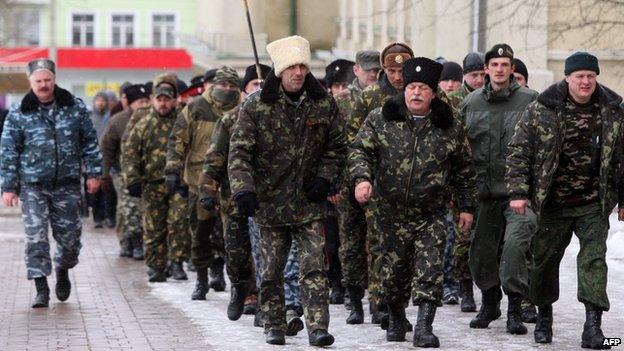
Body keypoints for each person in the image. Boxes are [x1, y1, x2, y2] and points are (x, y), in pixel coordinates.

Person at [349, 56, 476, 347]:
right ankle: (395, 320)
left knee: (429, 270)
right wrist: (362, 179)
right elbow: (359, 151)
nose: (416, 92)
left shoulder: (449, 127)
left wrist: (467, 207)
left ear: (433, 93)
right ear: (403, 90)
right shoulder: (381, 119)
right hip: (390, 211)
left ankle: (423, 327)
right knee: (393, 272)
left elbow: (464, 171)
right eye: (411, 87)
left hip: (431, 213)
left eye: (422, 88)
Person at [228, 35, 345, 346]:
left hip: (309, 201)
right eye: (291, 67)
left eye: (303, 66)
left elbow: (337, 147)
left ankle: (318, 326)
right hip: (270, 202)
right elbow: (239, 153)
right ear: (279, 70)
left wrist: (325, 177)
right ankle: (275, 323)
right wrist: (244, 190)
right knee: (271, 271)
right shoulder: (256, 106)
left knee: (313, 268)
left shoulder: (323, 103)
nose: (298, 72)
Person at [506, 52, 623, 349]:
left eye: (590, 76)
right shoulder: (542, 108)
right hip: (553, 202)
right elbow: (519, 151)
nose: (585, 82)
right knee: (544, 262)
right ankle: (544, 319)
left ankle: (593, 326)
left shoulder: (613, 110)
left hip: (593, 203)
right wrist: (519, 192)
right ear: (567, 77)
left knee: (594, 261)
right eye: (579, 76)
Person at [0, 58, 102, 308]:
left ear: (54, 79)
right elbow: (8, 149)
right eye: (38, 81)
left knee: (69, 239)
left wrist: (94, 173)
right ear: (30, 82)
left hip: (66, 184)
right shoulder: (19, 110)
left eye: (47, 80)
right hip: (33, 185)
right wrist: (9, 187)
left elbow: (89, 141)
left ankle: (63, 270)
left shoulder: (74, 107)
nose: (43, 85)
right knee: (36, 238)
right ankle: (41, 287)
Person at [460, 44, 538, 334]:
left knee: (515, 247)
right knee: (479, 254)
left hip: (519, 194)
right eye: (495, 65)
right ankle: (490, 303)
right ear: (486, 69)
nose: (500, 69)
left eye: (506, 64)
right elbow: (460, 149)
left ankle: (515, 309)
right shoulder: (471, 104)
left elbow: (544, 148)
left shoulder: (531, 101)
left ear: (513, 69)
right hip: (484, 194)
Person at [347, 42, 414, 327]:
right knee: (378, 244)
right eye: (392, 70)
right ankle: (379, 302)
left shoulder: (421, 93)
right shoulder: (370, 96)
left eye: (402, 70)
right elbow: (355, 140)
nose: (398, 77)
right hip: (378, 183)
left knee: (407, 248)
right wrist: (360, 178)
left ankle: (397, 301)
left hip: (413, 185)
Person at [166, 66, 241, 295]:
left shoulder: (243, 109)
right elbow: (177, 140)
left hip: (231, 182)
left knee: (229, 233)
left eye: (231, 86)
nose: (226, 90)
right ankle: (201, 277)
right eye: (222, 85)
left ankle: (220, 271)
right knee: (200, 231)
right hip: (200, 182)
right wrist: (173, 169)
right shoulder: (196, 107)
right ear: (213, 85)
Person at [123, 83, 189, 282]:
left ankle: (176, 262)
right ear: (153, 100)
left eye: (166, 99)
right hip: (152, 184)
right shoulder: (143, 124)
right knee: (153, 227)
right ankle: (156, 265)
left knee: (178, 223)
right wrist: (132, 179)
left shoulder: (182, 122)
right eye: (159, 99)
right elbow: (130, 154)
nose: (163, 104)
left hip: (179, 183)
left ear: (173, 100)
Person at [100, 84, 151, 259]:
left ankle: (135, 240)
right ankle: (132, 242)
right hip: (123, 173)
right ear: (130, 104)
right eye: (140, 102)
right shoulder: (118, 120)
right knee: (129, 208)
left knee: (142, 209)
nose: (144, 105)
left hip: (148, 173)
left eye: (147, 101)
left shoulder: (154, 119)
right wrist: (105, 174)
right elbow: (106, 149)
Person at [89, 91, 115, 229]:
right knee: (94, 190)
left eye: (103, 100)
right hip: (92, 159)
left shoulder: (111, 117)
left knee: (108, 190)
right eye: (98, 100)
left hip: (107, 158)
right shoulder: (90, 118)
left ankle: (109, 216)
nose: (100, 103)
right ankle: (97, 218)